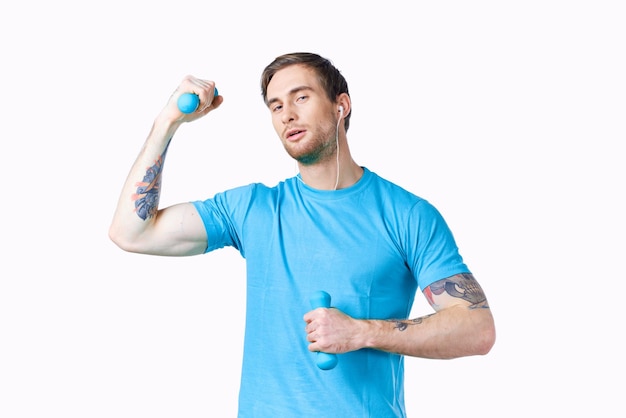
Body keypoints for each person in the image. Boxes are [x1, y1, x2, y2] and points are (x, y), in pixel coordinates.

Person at [109, 52, 496, 417]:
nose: (287, 115)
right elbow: (132, 233)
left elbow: (476, 328)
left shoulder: (408, 215)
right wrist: (166, 123)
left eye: (301, 97)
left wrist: (360, 332)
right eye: (276, 106)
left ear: (341, 106)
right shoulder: (253, 209)